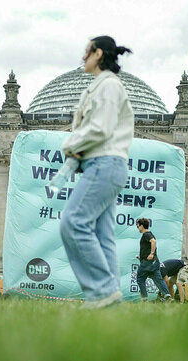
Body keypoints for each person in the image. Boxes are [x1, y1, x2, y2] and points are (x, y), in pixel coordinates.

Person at [58, 36, 134, 309]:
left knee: (73, 222)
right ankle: (110, 299)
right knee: (103, 236)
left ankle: (101, 291)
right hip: (103, 164)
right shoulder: (101, 87)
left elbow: (101, 128)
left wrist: (69, 144)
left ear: (98, 53)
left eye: (86, 51)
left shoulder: (109, 86)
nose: (82, 57)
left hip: (105, 165)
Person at [135, 218, 171, 302]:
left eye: (138, 226)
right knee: (158, 280)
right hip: (155, 262)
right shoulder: (149, 234)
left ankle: (144, 299)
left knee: (140, 279)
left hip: (148, 262)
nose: (138, 228)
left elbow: (153, 241)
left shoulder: (146, 234)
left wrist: (151, 253)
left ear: (142, 226)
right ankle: (167, 296)